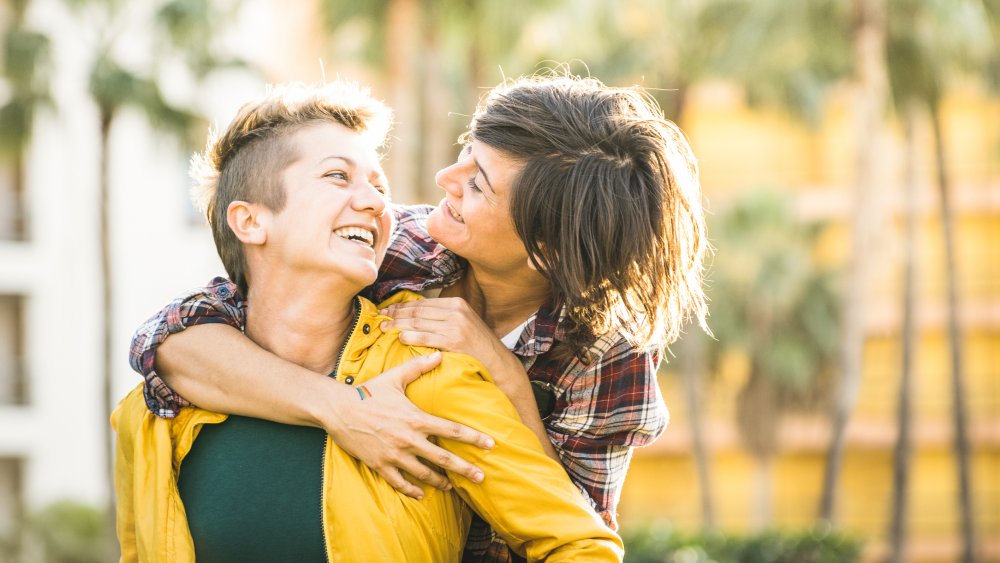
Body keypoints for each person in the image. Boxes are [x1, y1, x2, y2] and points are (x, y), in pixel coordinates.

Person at [129, 73, 709, 561]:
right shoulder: (390, 244)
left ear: (546, 250)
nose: (442, 183)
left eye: (476, 185)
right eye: (466, 156)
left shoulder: (607, 356)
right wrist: (344, 410)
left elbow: (569, 527)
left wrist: (503, 375)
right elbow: (172, 337)